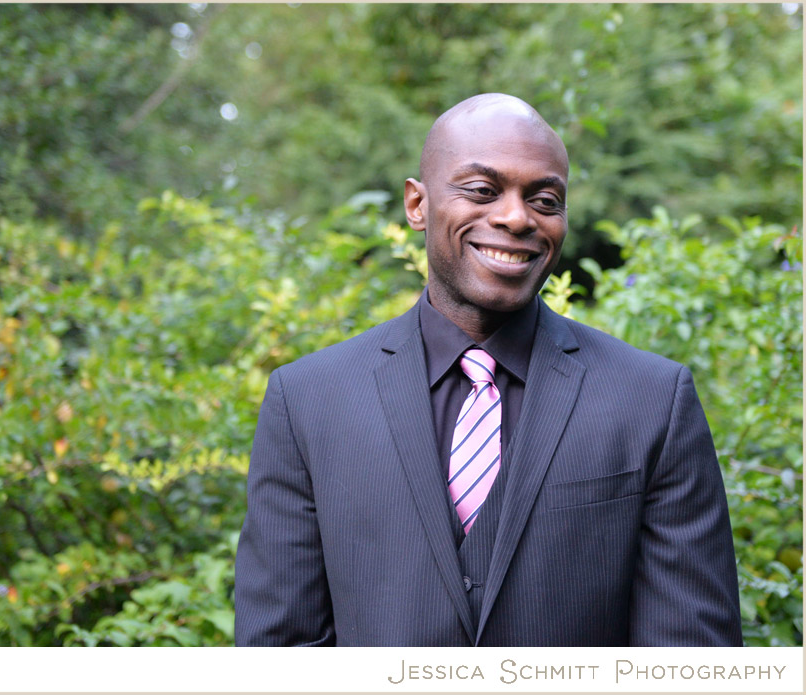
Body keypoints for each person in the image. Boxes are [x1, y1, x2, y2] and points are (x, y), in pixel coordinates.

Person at [234, 93, 742, 647]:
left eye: (545, 199)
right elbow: (279, 651)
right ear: (417, 204)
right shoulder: (308, 400)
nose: (516, 217)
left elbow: (692, 658)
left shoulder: (652, 400)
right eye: (482, 190)